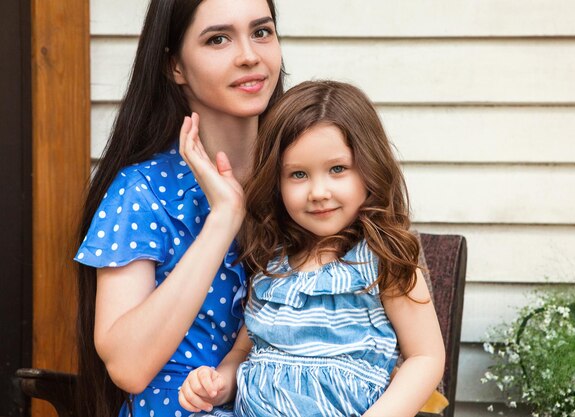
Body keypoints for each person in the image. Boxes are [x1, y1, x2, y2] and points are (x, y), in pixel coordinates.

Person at [178, 80, 446, 417]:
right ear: (276, 180)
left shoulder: (381, 262)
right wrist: (217, 386)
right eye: (298, 174)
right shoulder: (271, 267)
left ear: (369, 167)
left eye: (337, 169)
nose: (318, 191)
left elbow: (426, 357)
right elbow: (243, 354)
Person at [74, 0, 284, 415]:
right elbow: (128, 366)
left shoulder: (309, 182)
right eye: (218, 39)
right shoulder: (143, 192)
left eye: (262, 32)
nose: (249, 56)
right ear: (175, 67)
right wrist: (223, 220)